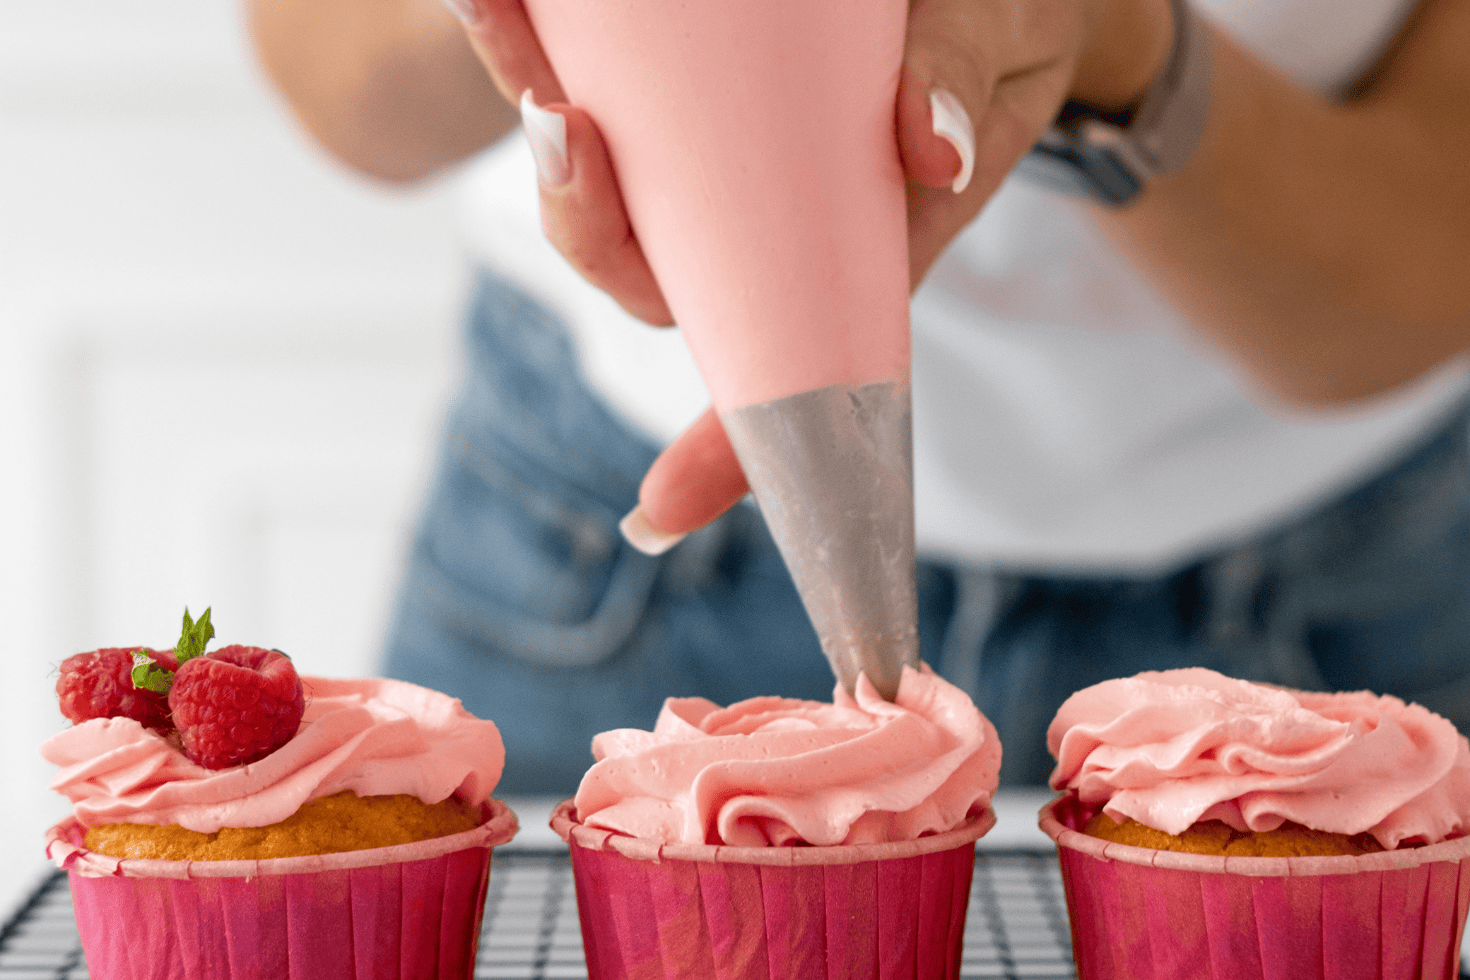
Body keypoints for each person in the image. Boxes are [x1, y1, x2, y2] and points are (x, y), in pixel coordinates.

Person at [248, 0, 1470, 793]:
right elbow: (331, 75)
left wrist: (1121, 50)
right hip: (596, 551)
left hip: (1326, 594)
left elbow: (1419, 268)